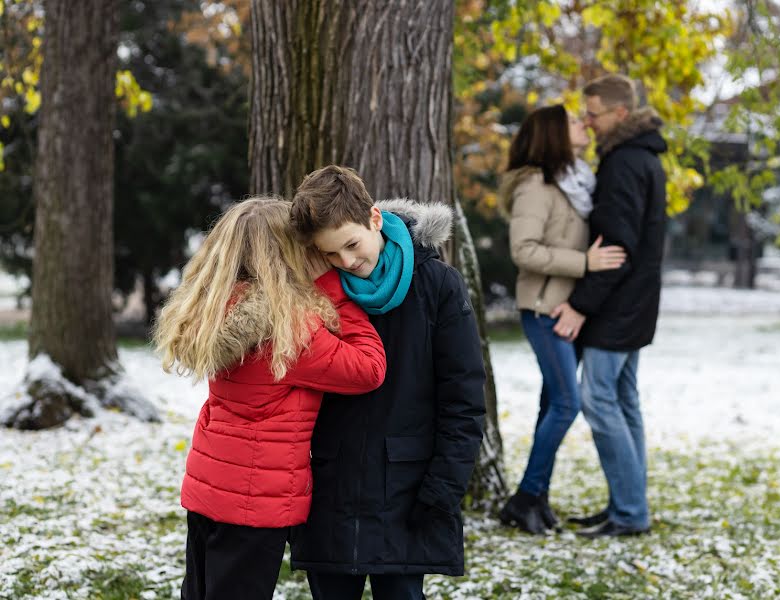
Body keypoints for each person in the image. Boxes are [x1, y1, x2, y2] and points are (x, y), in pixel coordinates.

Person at [153, 197, 387, 599]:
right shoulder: (288, 329)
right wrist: (334, 290)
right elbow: (368, 369)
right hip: (254, 502)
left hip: (209, 489)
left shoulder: (216, 308)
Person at [288, 166, 486, 600]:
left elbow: (464, 401)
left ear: (375, 219)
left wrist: (441, 491)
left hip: (408, 493)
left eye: (352, 245)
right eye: (330, 255)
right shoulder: (313, 295)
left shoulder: (438, 286)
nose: (347, 263)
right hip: (329, 492)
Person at [496, 105, 627, 535]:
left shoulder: (576, 181)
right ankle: (526, 497)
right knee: (567, 402)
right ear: (554, 133)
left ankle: (538, 499)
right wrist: (585, 262)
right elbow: (524, 250)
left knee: (552, 402)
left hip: (564, 310)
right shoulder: (536, 185)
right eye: (573, 120)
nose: (583, 124)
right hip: (542, 308)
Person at [553, 74, 667, 538]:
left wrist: (581, 305)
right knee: (623, 400)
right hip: (635, 303)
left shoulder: (623, 163)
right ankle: (628, 504)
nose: (588, 121)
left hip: (618, 306)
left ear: (621, 113)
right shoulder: (643, 158)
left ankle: (629, 512)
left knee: (598, 398)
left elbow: (616, 248)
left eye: (594, 112)